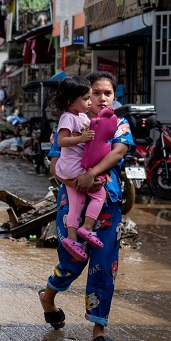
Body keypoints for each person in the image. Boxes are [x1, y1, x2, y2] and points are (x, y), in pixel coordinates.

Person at [38, 71, 133, 341]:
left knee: (104, 266)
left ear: (115, 97)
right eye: (96, 92)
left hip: (108, 202)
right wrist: (73, 180)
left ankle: (98, 329)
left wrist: (92, 173)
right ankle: (48, 297)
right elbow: (55, 164)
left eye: (108, 93)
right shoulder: (72, 122)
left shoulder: (119, 123)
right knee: (71, 261)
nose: (102, 98)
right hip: (73, 200)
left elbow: (117, 152)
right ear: (84, 95)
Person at [51, 76, 106, 262]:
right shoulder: (68, 117)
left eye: (90, 98)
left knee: (76, 204)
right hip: (73, 167)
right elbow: (61, 141)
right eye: (86, 98)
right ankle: (87, 228)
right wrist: (81, 139)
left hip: (69, 168)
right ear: (70, 101)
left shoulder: (82, 116)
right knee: (99, 195)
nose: (90, 102)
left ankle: (72, 239)